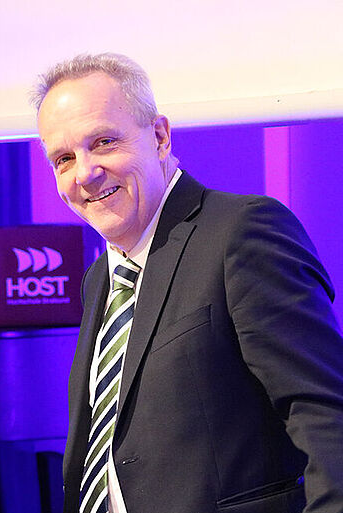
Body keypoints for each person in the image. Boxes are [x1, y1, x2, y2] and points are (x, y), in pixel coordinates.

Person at [32, 52, 343, 513]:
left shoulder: (242, 231)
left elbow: (325, 414)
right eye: (63, 158)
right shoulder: (99, 278)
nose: (85, 173)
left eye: (103, 142)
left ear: (159, 136)